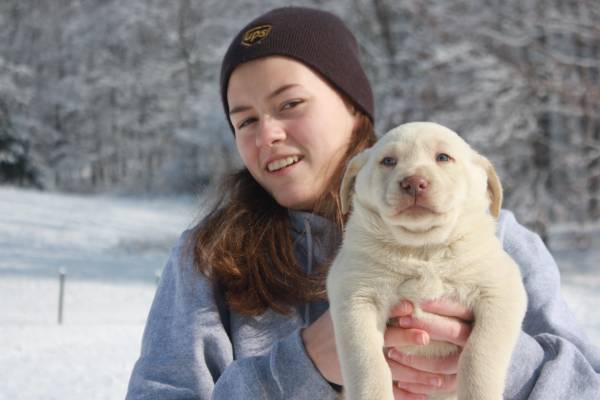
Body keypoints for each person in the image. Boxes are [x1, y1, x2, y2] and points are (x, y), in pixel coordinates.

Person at [126, 6, 600, 400]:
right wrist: (301, 366)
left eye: (290, 104)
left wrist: (492, 360)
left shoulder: (493, 236)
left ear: (355, 109)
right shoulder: (211, 257)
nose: (267, 133)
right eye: (244, 120)